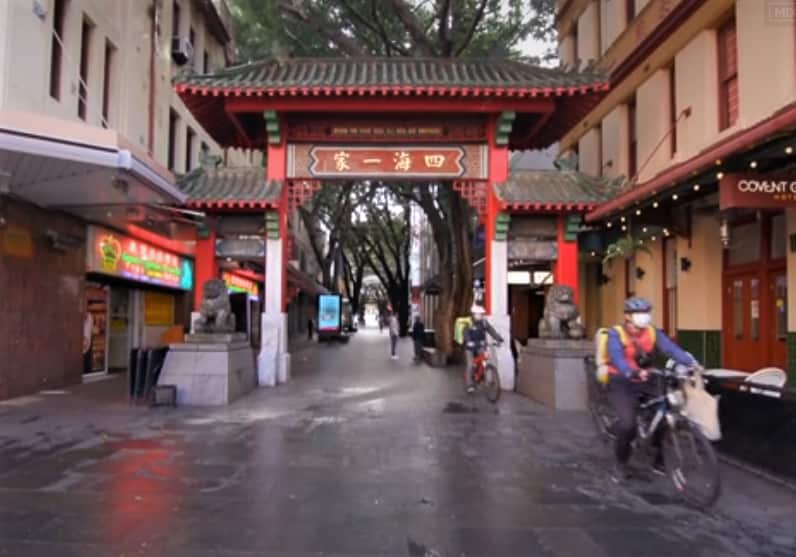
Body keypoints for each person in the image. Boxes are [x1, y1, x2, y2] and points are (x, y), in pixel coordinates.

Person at [606, 296, 698, 482]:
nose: (644, 316)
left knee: (665, 414)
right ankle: (620, 464)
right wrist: (630, 371)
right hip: (622, 381)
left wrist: (691, 363)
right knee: (628, 425)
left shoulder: (652, 332)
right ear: (628, 316)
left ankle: (659, 459)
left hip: (647, 378)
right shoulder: (616, 333)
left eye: (646, 312)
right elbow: (616, 357)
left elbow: (670, 349)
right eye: (639, 312)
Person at [464, 304, 503, 393]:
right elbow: (466, 334)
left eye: (481, 314)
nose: (480, 315)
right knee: (470, 364)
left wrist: (498, 338)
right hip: (470, 347)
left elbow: (491, 330)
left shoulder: (484, 322)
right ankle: (469, 384)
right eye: (478, 314)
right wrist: (469, 341)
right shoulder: (469, 323)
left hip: (481, 345)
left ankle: (483, 375)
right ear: (473, 314)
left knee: (485, 359)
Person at [83, 304, 94, 374]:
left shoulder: (90, 317)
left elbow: (90, 329)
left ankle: (87, 371)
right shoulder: (89, 316)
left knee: (87, 356)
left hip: (88, 339)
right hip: (85, 340)